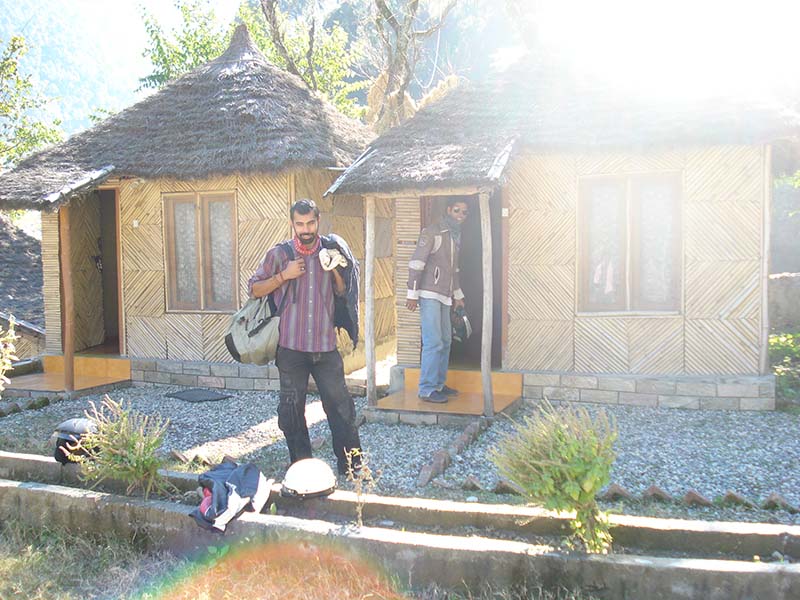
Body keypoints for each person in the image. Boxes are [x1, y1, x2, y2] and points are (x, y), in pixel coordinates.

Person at [248, 199, 362, 475]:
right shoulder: (278, 255)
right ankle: (302, 469)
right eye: (300, 224)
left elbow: (342, 292)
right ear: (292, 224)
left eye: (310, 223)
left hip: (325, 346)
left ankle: (353, 467)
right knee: (291, 411)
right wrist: (283, 276)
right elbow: (254, 289)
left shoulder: (331, 250)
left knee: (341, 408)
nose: (306, 229)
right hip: (291, 347)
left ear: (317, 221)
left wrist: (333, 268)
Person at [406, 198, 468, 403]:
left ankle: (438, 384)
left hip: (445, 296)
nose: (460, 214)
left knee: (446, 341)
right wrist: (412, 294)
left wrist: (458, 296)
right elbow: (416, 263)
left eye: (464, 212)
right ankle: (426, 389)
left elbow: (455, 271)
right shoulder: (432, 232)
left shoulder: (454, 236)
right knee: (433, 342)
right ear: (448, 210)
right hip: (429, 294)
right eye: (457, 210)